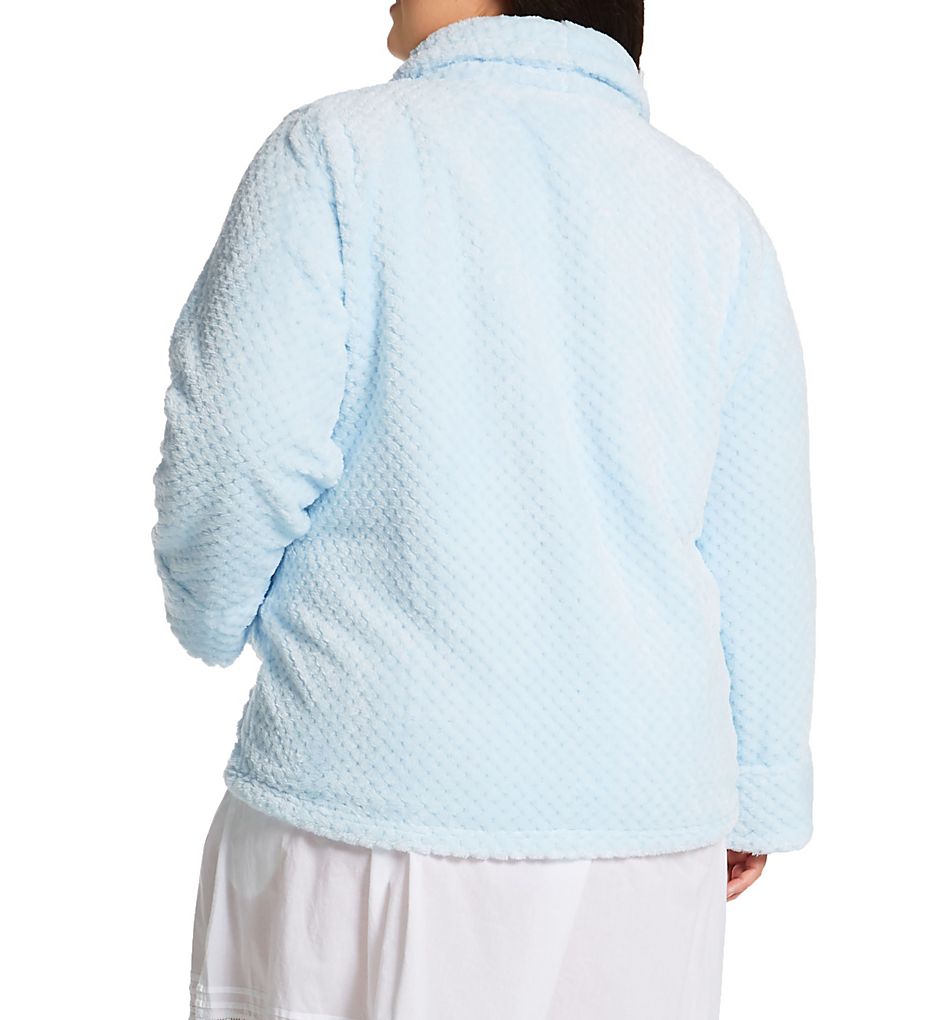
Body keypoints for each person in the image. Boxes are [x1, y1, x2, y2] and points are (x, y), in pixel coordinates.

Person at [152, 3, 817, 1018]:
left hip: (367, 805)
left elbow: (235, 446)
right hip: (641, 838)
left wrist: (208, 611)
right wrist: (758, 783)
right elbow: (758, 539)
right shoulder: (710, 214)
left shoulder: (336, 157)